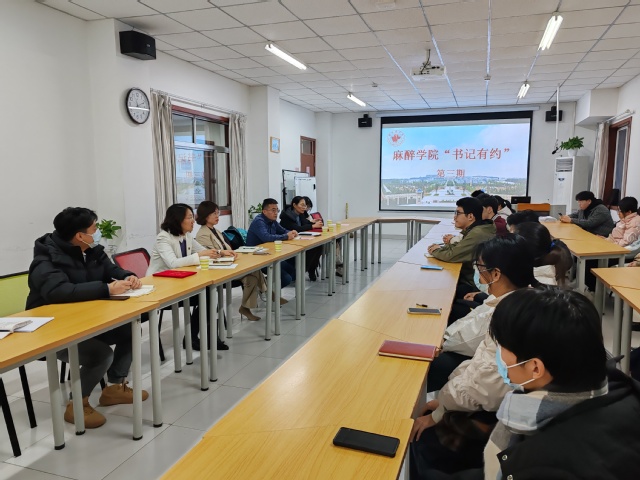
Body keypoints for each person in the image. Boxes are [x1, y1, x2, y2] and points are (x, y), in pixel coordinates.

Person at [410, 235, 538, 478]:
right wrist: (446, 402)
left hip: (501, 418)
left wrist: (442, 411)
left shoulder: (511, 315)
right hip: (503, 403)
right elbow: (480, 363)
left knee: (420, 436)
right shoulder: (523, 301)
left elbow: (487, 382)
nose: (478, 274)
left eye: (480, 267)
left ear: (496, 273)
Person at [480, 288, 640, 480]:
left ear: (535, 368)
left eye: (502, 345)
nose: (499, 353)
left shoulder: (542, 461)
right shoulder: (616, 386)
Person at [27, 207, 148, 429]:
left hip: (88, 321)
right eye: (94, 228)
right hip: (54, 329)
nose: (98, 232)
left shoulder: (92, 250)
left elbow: (111, 269)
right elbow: (58, 291)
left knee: (130, 330)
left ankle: (114, 387)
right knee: (100, 354)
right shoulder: (46, 259)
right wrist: (106, 289)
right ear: (79, 236)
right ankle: (77, 404)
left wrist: (128, 276)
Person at [147, 203, 228, 351]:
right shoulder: (163, 238)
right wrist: (199, 255)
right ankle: (193, 339)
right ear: (178, 220)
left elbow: (202, 251)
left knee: (209, 293)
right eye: (189, 217)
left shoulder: (187, 235)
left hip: (180, 281)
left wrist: (220, 253)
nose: (193, 221)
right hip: (162, 286)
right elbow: (173, 263)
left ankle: (201, 337)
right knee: (207, 295)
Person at [195, 201, 266, 321]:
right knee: (253, 271)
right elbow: (211, 255)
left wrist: (232, 253)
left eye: (218, 213)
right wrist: (225, 254)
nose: (217, 216)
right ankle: (269, 294)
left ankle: (245, 308)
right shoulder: (202, 234)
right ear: (205, 215)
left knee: (252, 276)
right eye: (214, 213)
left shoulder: (215, 230)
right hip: (218, 270)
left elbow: (226, 249)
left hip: (228, 264)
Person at [428, 197, 496, 291]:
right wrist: (440, 248)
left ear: (470, 216)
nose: (455, 217)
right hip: (469, 279)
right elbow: (458, 247)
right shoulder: (477, 229)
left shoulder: (478, 233)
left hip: (473, 285)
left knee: (440, 286)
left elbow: (452, 255)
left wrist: (435, 250)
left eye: (458, 213)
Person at [246, 198, 297, 295]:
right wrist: (286, 236)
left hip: (269, 255)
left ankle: (265, 287)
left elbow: (283, 230)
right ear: (264, 211)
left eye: (277, 210)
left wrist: (291, 232)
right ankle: (266, 292)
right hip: (256, 258)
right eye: (273, 210)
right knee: (286, 278)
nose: (276, 213)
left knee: (292, 270)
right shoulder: (259, 221)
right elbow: (266, 237)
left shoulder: (272, 221)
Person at [279, 196, 323, 281]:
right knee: (311, 249)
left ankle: (311, 270)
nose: (304, 207)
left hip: (299, 240)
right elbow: (296, 228)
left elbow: (305, 223)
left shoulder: (301, 214)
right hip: (288, 243)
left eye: (305, 205)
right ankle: (300, 272)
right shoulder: (286, 216)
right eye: (302, 205)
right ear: (294, 205)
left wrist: (312, 222)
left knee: (318, 246)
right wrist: (313, 226)